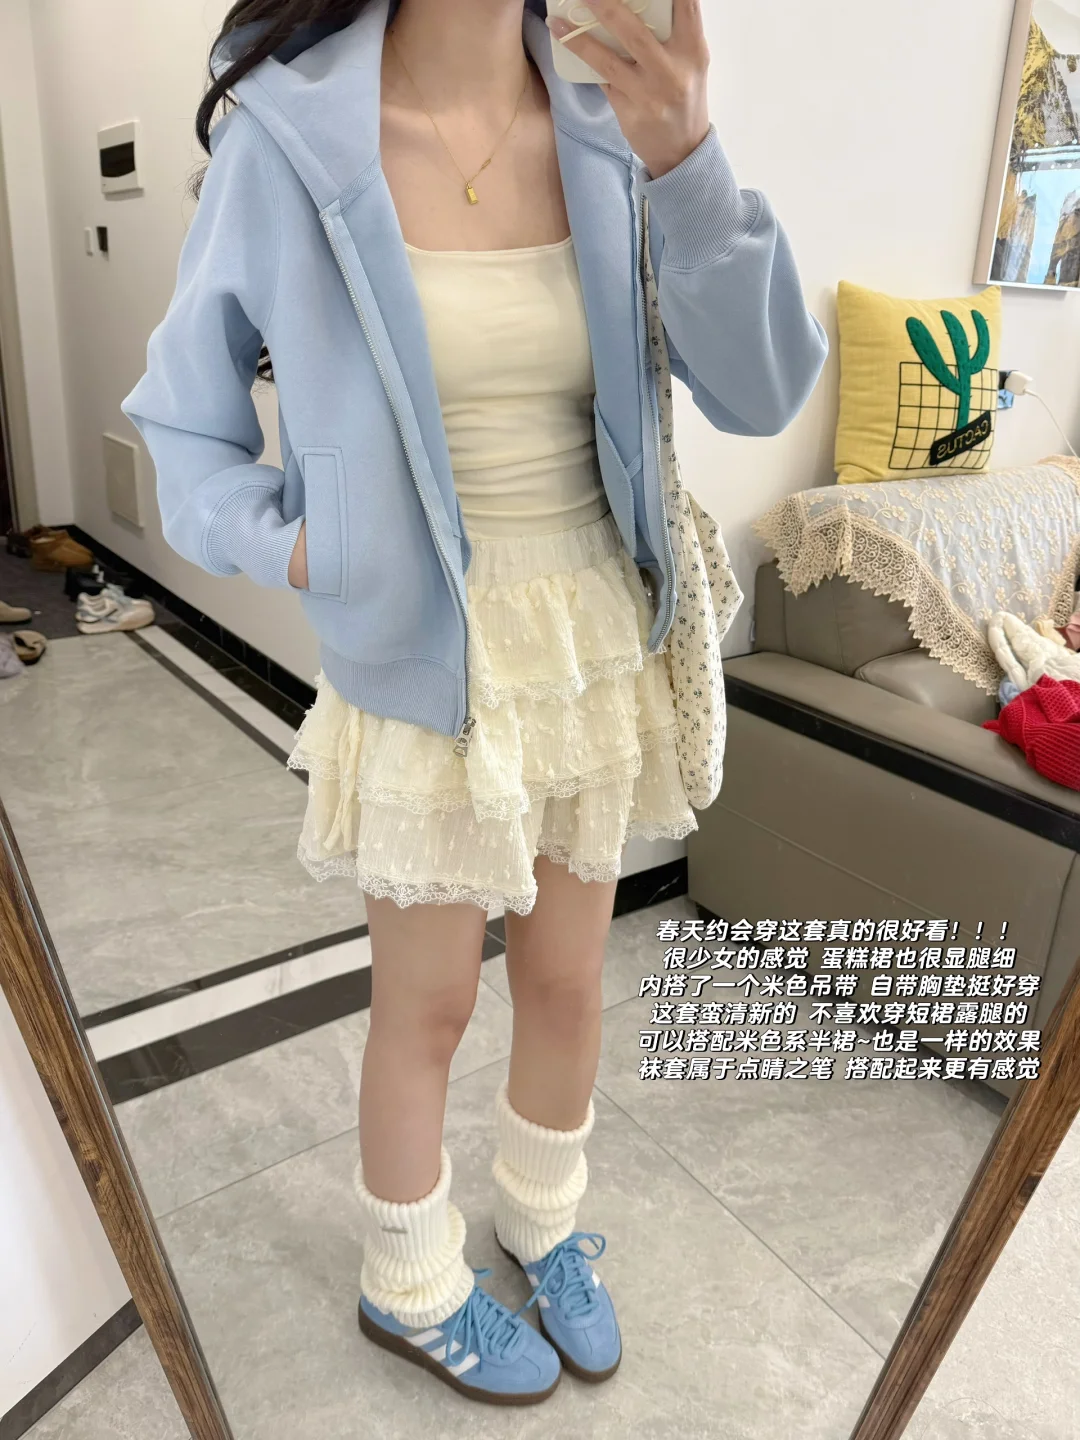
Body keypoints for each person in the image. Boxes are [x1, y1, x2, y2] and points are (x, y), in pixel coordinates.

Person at [122, 0, 827, 1407]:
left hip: (589, 635)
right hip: (425, 647)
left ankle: (544, 1223)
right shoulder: (287, 137)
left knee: (567, 976)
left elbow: (762, 393)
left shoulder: (612, 113)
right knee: (431, 1001)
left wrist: (690, 162)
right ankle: (406, 1280)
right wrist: (295, 545)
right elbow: (183, 421)